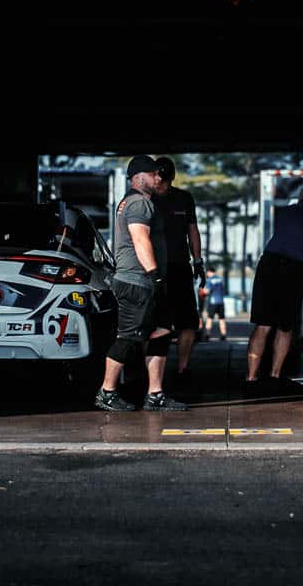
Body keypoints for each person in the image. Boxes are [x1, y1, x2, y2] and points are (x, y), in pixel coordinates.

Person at [95, 155, 188, 412]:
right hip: (137, 281)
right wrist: (155, 275)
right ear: (138, 177)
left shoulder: (140, 202)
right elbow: (140, 240)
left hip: (145, 281)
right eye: (153, 174)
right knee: (128, 338)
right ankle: (107, 392)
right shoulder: (138, 204)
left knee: (161, 332)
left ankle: (155, 394)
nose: (158, 178)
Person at [246, 182, 303, 389]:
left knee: (264, 324)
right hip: (295, 268)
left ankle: (251, 377)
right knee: (285, 326)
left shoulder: (285, 213)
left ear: (300, 199)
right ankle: (275, 376)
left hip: (268, 263)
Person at [152, 156, 207, 384]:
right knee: (154, 322)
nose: (160, 182)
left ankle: (183, 369)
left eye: (164, 178)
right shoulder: (145, 199)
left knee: (187, 322)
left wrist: (198, 261)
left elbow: (193, 230)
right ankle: (152, 371)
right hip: (154, 269)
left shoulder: (184, 198)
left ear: (171, 177)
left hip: (180, 267)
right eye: (158, 177)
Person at [203, 266, 227, 342]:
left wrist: (201, 292)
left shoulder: (210, 280)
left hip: (213, 302)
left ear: (209, 272)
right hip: (221, 302)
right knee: (221, 319)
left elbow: (206, 291)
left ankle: (207, 334)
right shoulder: (220, 279)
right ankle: (223, 334)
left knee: (209, 318)